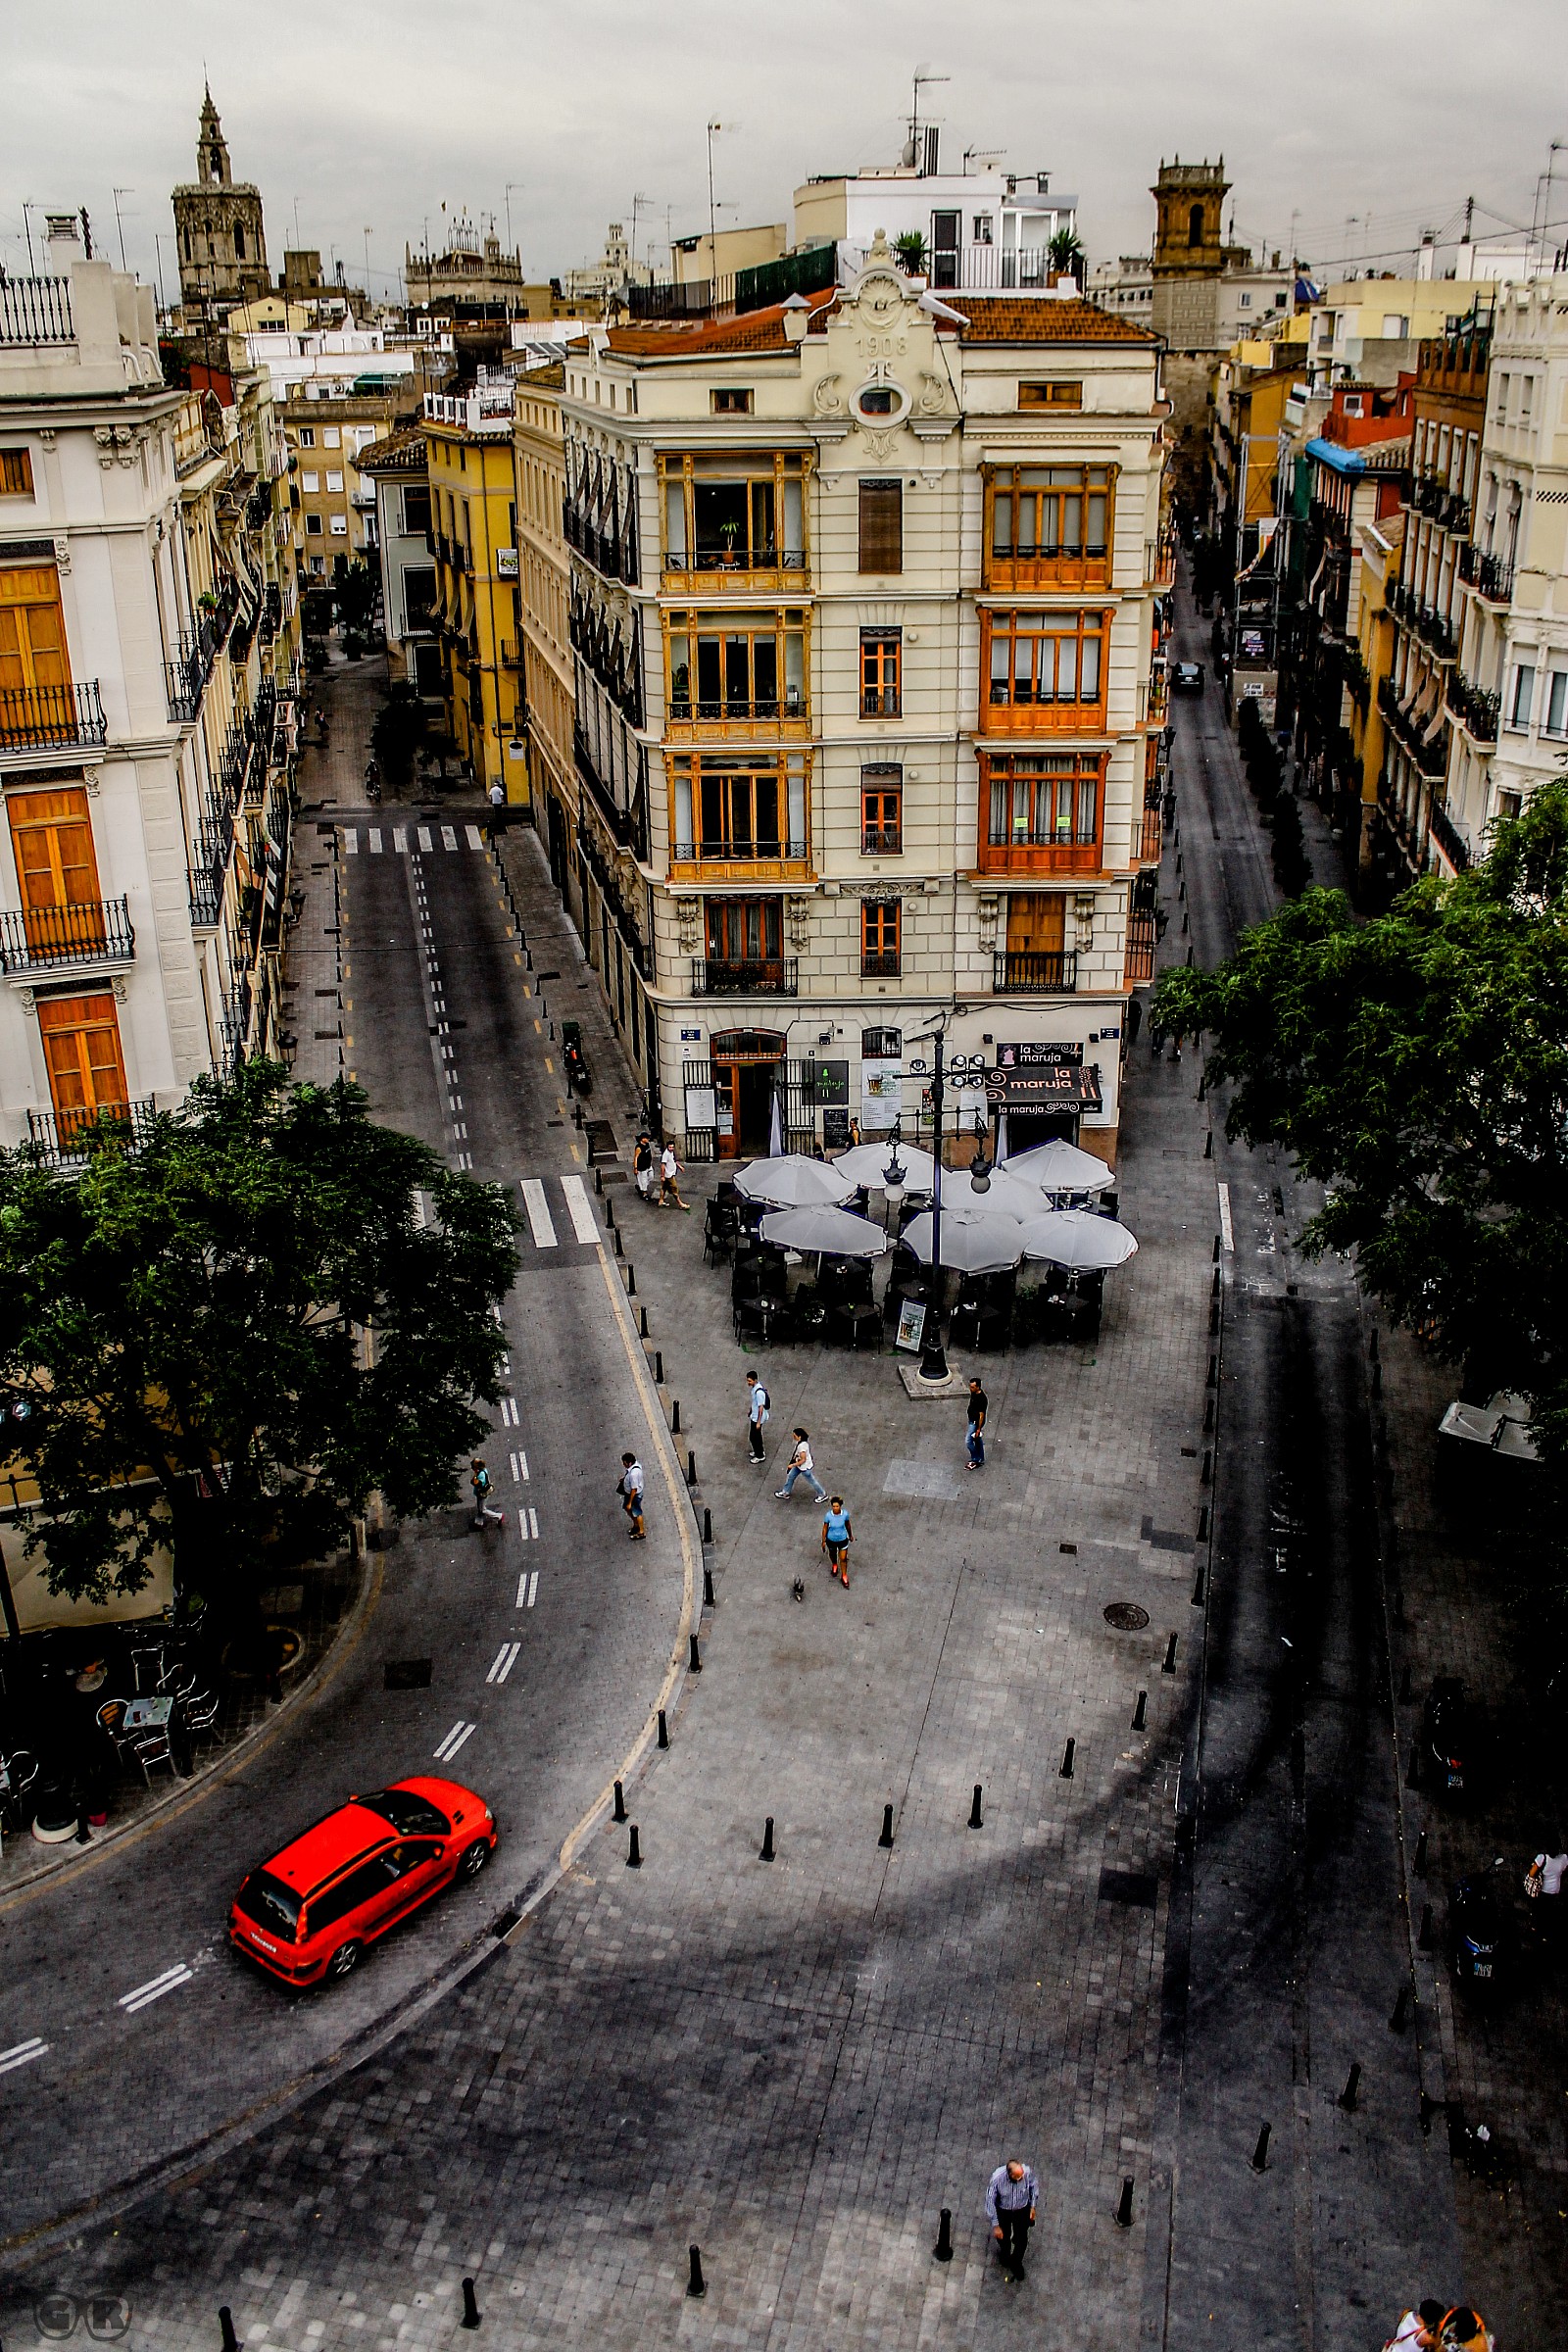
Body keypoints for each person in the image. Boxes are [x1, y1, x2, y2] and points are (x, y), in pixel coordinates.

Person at [986, 2158, 1038, 2281]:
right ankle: (1005, 2253)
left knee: (1022, 2240)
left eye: (1021, 2177)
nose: (1021, 2179)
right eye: (1017, 2178)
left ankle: (1016, 2262)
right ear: (1010, 2175)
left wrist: (1032, 2206)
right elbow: (989, 2201)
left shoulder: (1027, 2172)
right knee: (1003, 2236)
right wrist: (996, 2225)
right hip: (1004, 2210)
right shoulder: (997, 2179)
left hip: (1021, 2209)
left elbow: (1033, 2186)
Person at [775, 1428, 826, 1502]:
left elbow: (803, 1460)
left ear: (799, 1436)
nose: (793, 1437)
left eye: (795, 1435)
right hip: (799, 1466)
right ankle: (785, 1492)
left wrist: (792, 1465)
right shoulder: (803, 1443)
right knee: (790, 1476)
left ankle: (822, 1494)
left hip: (804, 1467)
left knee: (812, 1481)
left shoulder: (801, 1446)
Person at [821, 1497, 853, 1586]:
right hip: (831, 1539)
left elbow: (848, 1525)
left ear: (840, 1506)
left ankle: (844, 1575)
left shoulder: (845, 1514)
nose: (835, 1508)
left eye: (837, 1506)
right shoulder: (828, 1516)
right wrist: (823, 1540)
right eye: (833, 1506)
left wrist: (850, 1535)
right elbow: (825, 1528)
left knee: (843, 1558)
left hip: (842, 1539)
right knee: (832, 1553)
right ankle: (834, 1564)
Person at [617, 1451, 646, 1541]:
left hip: (634, 1496)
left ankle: (641, 1532)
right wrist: (625, 1478)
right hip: (630, 1493)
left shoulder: (633, 1474)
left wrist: (630, 1502)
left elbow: (634, 1489)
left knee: (637, 1512)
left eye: (624, 1463)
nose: (623, 1464)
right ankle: (636, 1524)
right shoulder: (635, 1466)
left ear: (629, 1463)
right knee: (627, 1508)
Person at [469, 1458, 504, 1531]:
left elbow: (477, 1483)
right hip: (480, 1493)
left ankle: (498, 1516)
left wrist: (475, 1477)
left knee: (482, 1510)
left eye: (473, 1467)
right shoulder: (483, 1470)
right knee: (480, 1507)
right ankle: (479, 1522)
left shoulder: (481, 1475)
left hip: (482, 1494)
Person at [746, 1370, 770, 1465]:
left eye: (750, 1381)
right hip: (755, 1416)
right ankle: (758, 1451)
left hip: (757, 1418)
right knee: (756, 1436)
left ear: (755, 1380)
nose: (748, 1382)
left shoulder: (759, 1392)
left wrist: (759, 1422)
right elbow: (754, 1403)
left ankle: (759, 1455)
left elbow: (761, 1407)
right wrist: (751, 1410)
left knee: (753, 1437)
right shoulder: (755, 1388)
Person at [659, 1141, 690, 1212]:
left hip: (671, 1173)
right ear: (667, 1147)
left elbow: (674, 1161)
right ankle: (680, 1204)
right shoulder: (666, 1154)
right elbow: (663, 1166)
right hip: (668, 1175)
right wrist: (662, 1176)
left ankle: (661, 1200)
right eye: (670, 1147)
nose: (671, 1148)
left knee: (664, 1187)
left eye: (672, 1147)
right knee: (674, 1189)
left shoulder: (671, 1152)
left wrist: (680, 1167)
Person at [965, 1377, 988, 1471]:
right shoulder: (974, 1393)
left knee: (968, 1441)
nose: (971, 1388)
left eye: (973, 1387)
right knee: (977, 1439)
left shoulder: (982, 1399)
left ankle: (976, 1459)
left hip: (975, 1422)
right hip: (972, 1419)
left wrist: (978, 1428)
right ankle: (981, 1458)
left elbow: (981, 1415)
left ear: (978, 1387)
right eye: (970, 1386)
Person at [633, 1132, 656, 1205]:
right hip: (642, 1167)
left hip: (648, 1165)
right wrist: (635, 1168)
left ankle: (642, 1187)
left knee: (651, 1176)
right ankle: (644, 1194)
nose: (648, 1139)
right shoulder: (639, 1148)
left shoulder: (647, 1144)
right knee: (643, 1179)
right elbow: (636, 1158)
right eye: (647, 1138)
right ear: (642, 1139)